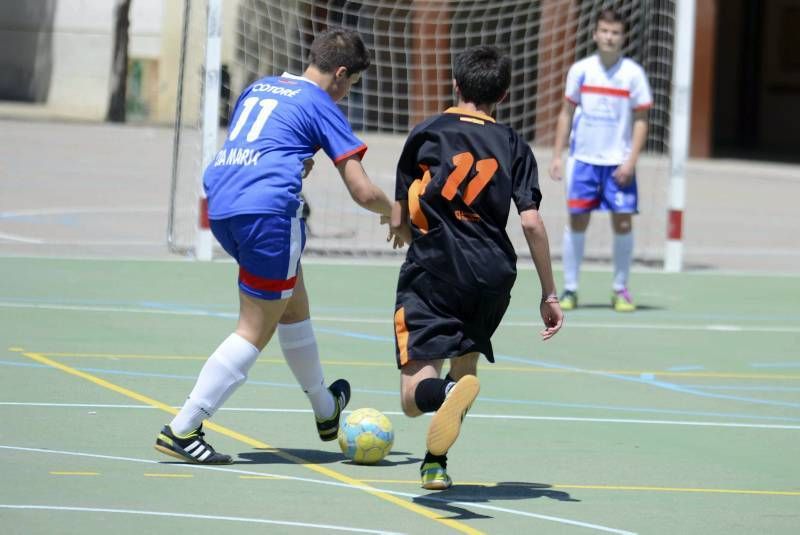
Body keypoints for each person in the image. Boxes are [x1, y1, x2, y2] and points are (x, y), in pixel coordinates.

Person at [155, 28, 403, 464]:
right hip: (267, 213)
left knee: (292, 303)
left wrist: (294, 161)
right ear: (341, 74)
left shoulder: (260, 87)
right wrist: (396, 211)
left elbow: (262, 142)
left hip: (222, 204)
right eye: (352, 85)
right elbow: (361, 191)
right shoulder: (320, 102)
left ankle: (327, 411)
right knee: (255, 327)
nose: (347, 94)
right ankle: (184, 426)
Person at [390, 45, 564, 490]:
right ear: (503, 95)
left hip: (435, 269)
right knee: (464, 367)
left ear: (455, 84)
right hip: (492, 276)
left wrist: (404, 232)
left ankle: (443, 397)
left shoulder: (427, 132)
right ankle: (435, 462)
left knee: (414, 397)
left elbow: (400, 214)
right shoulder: (513, 144)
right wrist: (548, 293)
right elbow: (531, 221)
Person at [548, 9, 652, 312]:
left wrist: (631, 161)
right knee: (577, 221)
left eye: (615, 32)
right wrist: (558, 155)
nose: (609, 37)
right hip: (583, 162)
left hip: (618, 163)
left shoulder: (633, 74)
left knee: (622, 222)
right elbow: (565, 114)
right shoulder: (580, 70)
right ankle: (569, 289)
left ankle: (620, 289)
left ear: (623, 37)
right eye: (604, 31)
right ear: (595, 34)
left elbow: (642, 120)